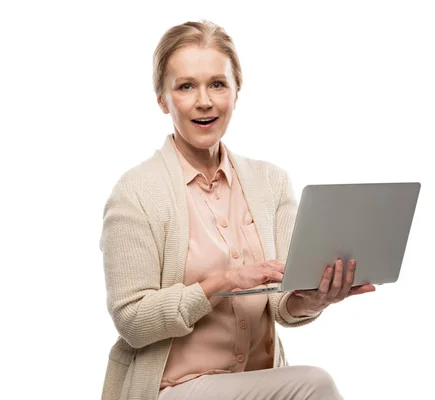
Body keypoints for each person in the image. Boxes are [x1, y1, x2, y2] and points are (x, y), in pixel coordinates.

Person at [99, 20, 376, 400]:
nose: (204, 101)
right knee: (315, 385)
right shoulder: (136, 193)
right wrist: (223, 282)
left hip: (256, 383)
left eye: (217, 83)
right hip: (173, 389)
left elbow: (283, 304)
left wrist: (314, 298)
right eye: (185, 86)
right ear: (163, 100)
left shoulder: (270, 183)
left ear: (236, 91)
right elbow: (131, 319)